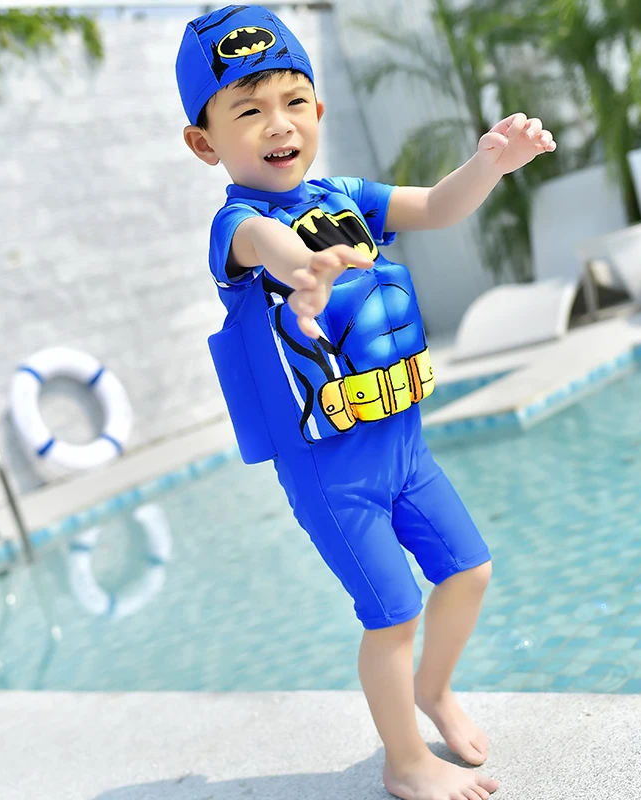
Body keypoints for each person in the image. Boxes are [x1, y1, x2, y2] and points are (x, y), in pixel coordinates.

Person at [175, 6, 555, 799]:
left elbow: (437, 206)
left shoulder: (346, 195)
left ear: (318, 109)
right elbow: (272, 251)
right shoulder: (237, 226)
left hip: (404, 446)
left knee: (470, 571)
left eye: (293, 101)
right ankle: (404, 762)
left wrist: (490, 162)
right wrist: (305, 270)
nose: (278, 124)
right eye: (249, 110)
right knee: (392, 613)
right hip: (332, 469)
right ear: (205, 143)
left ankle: (433, 691)